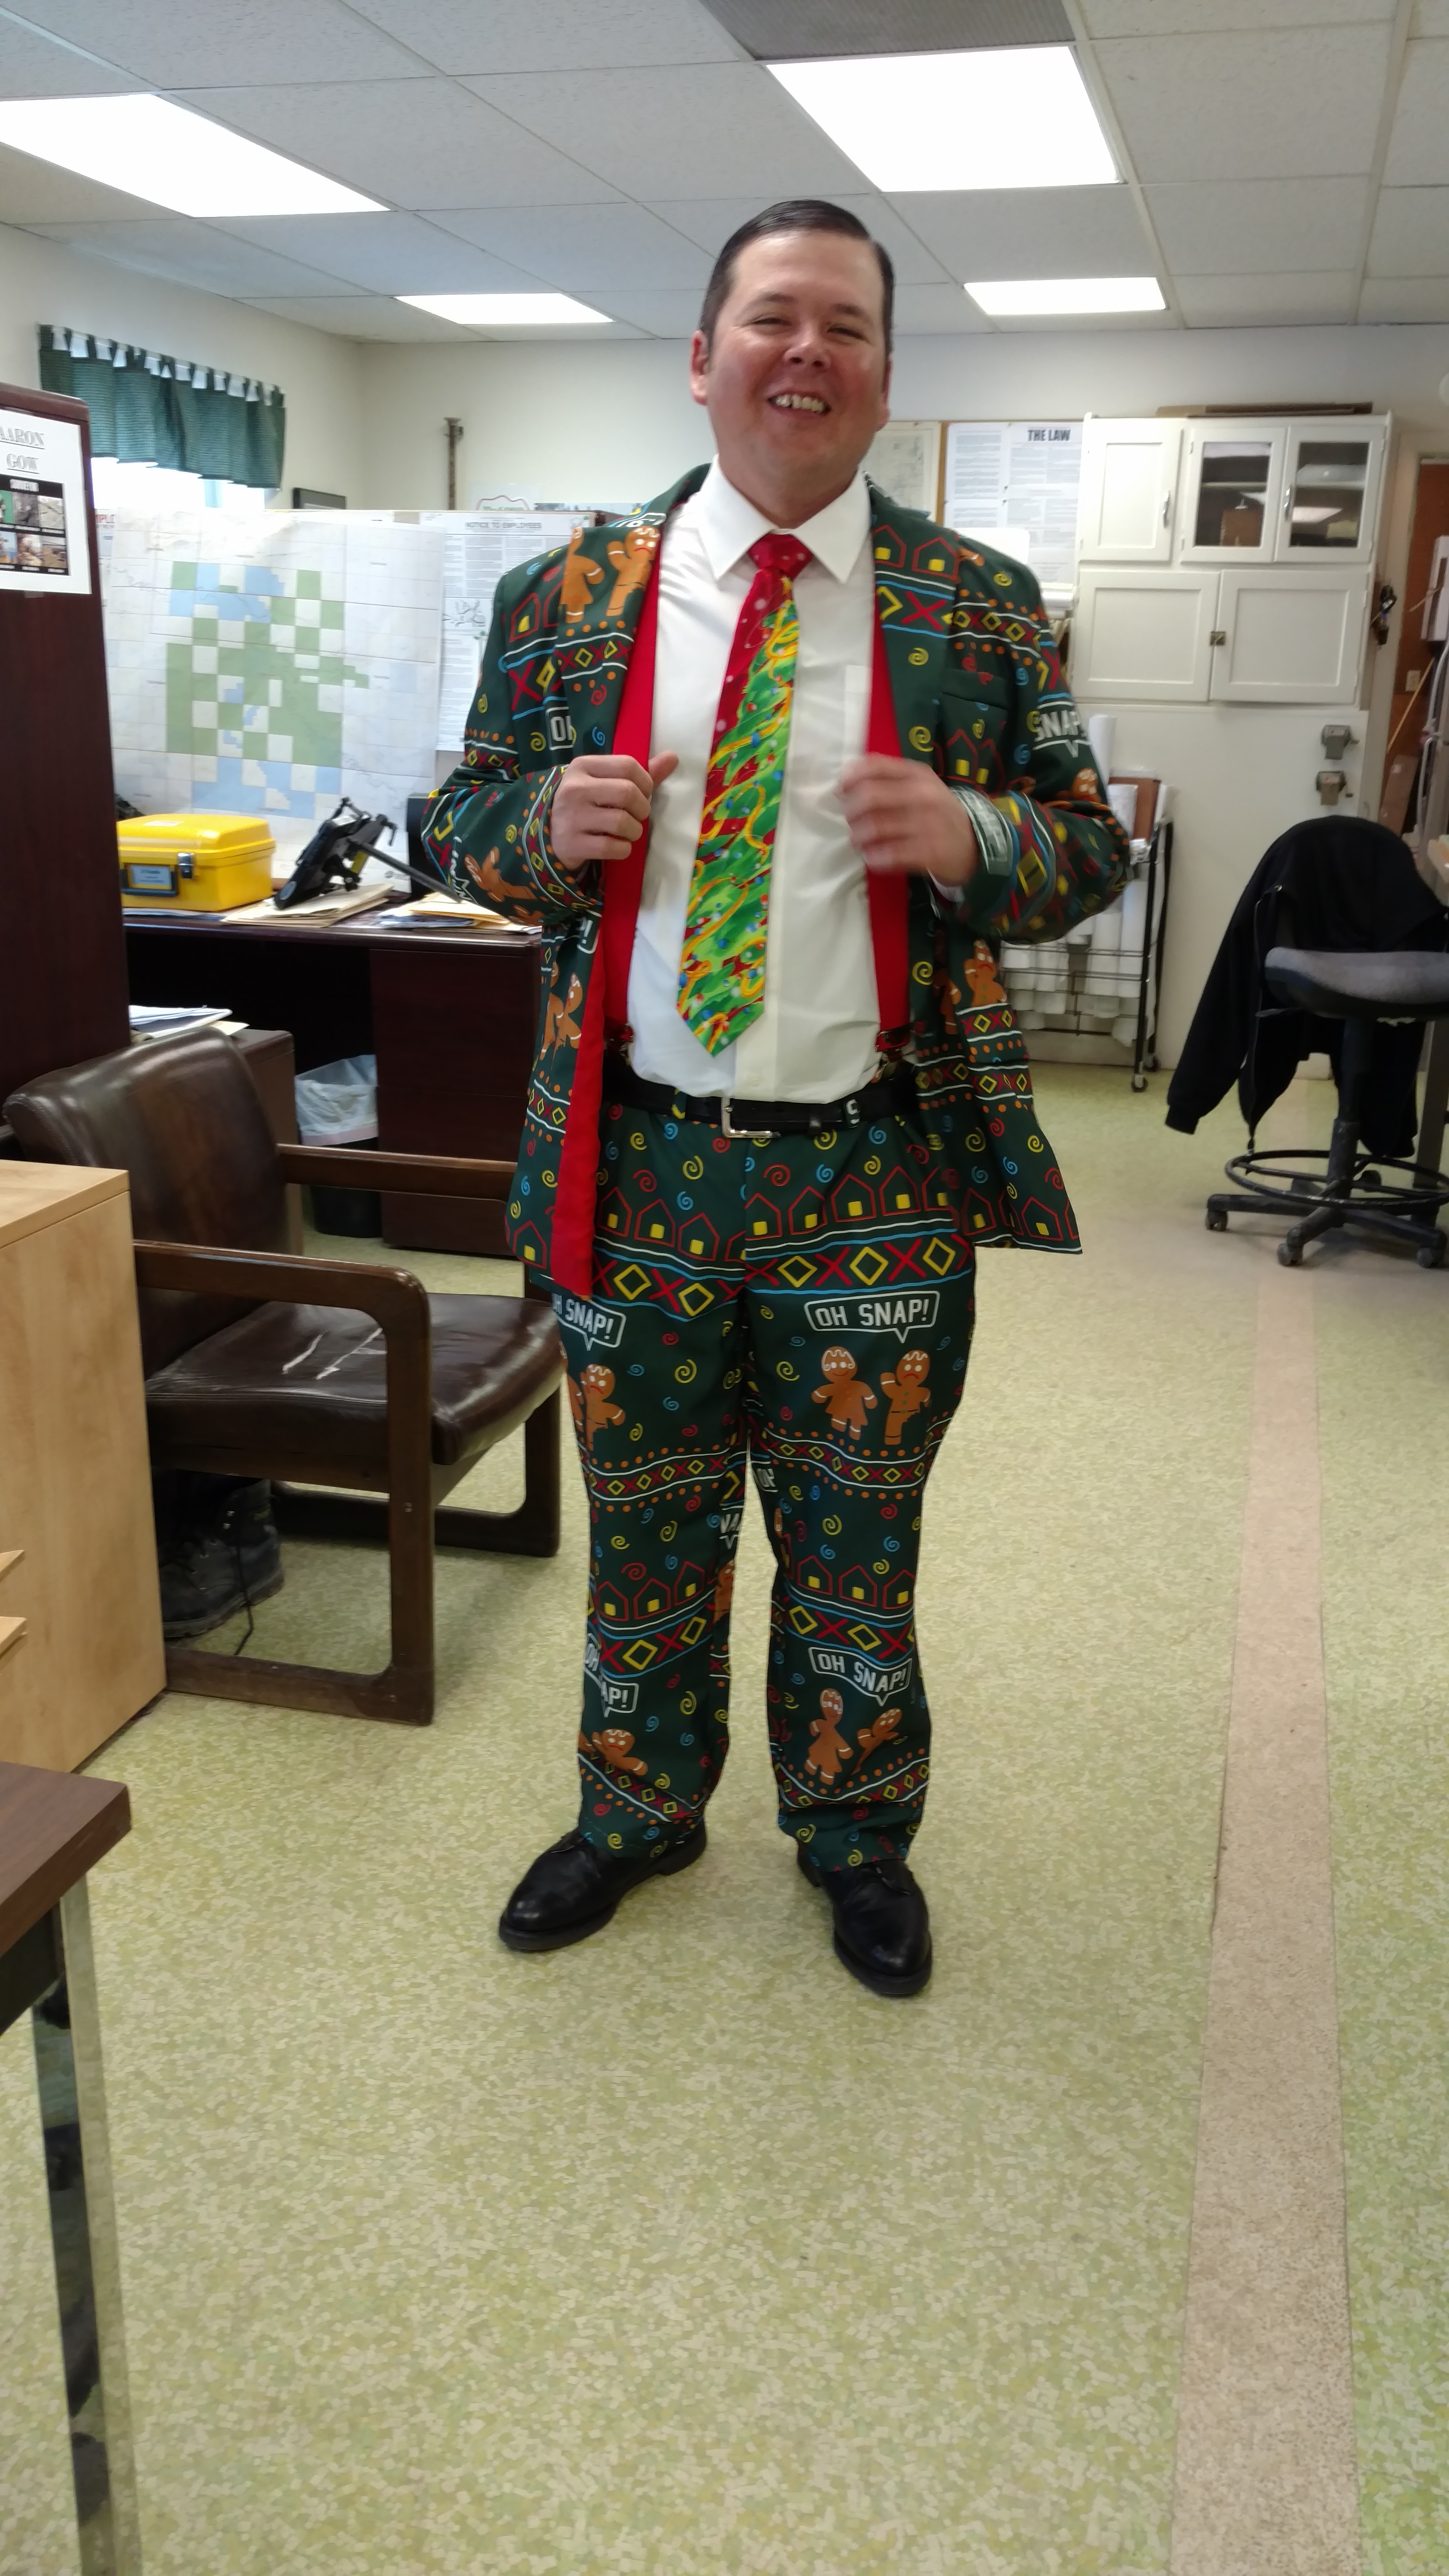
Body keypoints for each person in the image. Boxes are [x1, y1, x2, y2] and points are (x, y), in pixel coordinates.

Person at [425, 200, 1128, 1997]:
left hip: (874, 1168)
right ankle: (636, 1813)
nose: (806, 350)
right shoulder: (568, 596)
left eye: (847, 326)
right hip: (637, 1166)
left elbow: (1087, 849)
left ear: (885, 377)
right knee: (645, 1529)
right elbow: (459, 821)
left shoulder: (977, 606)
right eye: (770, 318)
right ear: (703, 357)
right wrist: (538, 827)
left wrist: (971, 833)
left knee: (856, 1547)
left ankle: (855, 1840)